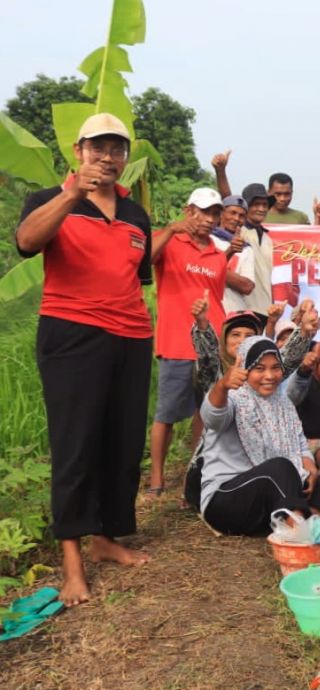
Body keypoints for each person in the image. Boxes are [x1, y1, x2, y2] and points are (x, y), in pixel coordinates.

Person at [15, 113, 153, 606]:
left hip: (131, 337)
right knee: (75, 444)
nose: (108, 157)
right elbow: (28, 242)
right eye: (99, 148)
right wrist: (72, 194)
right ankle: (72, 559)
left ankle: (106, 539)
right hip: (72, 335)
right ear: (79, 150)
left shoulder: (136, 214)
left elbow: (136, 280)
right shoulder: (50, 200)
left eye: (117, 149)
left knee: (121, 441)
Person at [147, 187, 230, 499]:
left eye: (214, 213)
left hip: (212, 346)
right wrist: (170, 230)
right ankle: (156, 480)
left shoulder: (218, 256)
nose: (209, 219)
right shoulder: (168, 242)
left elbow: (218, 299)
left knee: (204, 412)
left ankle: (193, 477)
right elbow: (143, 261)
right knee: (166, 413)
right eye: (204, 212)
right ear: (188, 210)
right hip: (176, 342)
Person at [197, 336, 320, 535]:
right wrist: (222, 386)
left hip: (266, 500)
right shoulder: (233, 398)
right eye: (259, 368)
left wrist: (309, 463)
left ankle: (293, 517)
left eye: (275, 367)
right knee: (281, 467)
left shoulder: (283, 403)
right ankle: (301, 532)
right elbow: (212, 418)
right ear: (244, 369)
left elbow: (300, 444)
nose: (269, 375)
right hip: (226, 501)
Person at [236, 183, 277, 313]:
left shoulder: (268, 239)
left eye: (265, 205)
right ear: (246, 207)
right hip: (243, 307)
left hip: (266, 309)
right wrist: (220, 171)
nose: (261, 209)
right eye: (256, 204)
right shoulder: (239, 232)